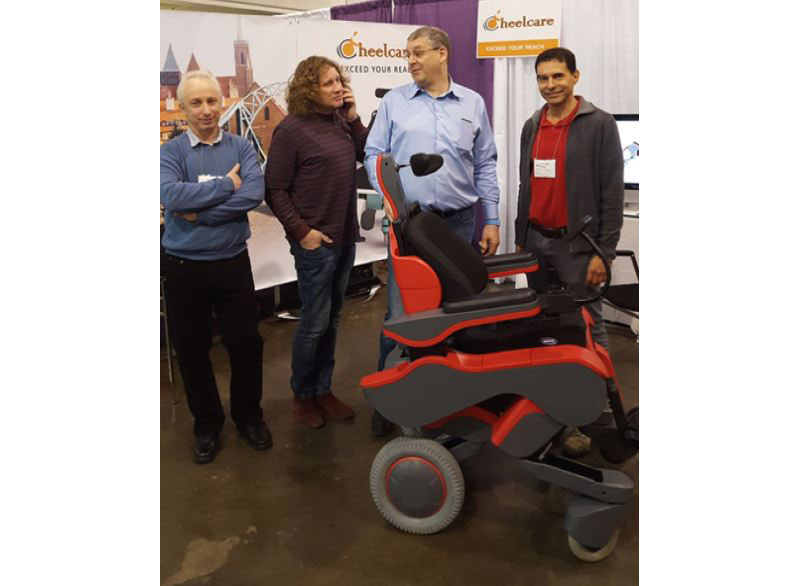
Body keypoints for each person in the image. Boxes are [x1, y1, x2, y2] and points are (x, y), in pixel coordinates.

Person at [365, 26, 501, 436]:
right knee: (402, 314)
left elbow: (486, 162)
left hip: (459, 221)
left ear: (442, 54)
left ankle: (451, 395)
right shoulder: (394, 102)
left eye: (418, 52)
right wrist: (390, 200)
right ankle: (386, 401)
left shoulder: (473, 103)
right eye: (407, 53)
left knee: (455, 313)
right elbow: (373, 154)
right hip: (410, 227)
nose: (410, 60)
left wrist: (491, 217)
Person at [513, 47, 624, 457]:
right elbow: (527, 183)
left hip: (579, 247)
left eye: (558, 76)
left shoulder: (599, 124)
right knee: (546, 328)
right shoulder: (532, 125)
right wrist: (521, 233)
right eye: (543, 78)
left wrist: (604, 254)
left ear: (576, 76)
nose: (549, 86)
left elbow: (611, 194)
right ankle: (556, 416)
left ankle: (604, 418)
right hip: (537, 242)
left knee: (588, 329)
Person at [160, 69, 271, 464]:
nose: (206, 110)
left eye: (211, 101)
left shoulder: (240, 147)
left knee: (245, 344)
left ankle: (248, 416)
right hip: (183, 267)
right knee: (191, 350)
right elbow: (171, 196)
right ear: (184, 108)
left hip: (231, 264)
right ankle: (206, 423)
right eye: (196, 103)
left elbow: (255, 194)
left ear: (222, 102)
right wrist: (226, 186)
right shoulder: (171, 153)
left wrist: (200, 213)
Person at [265, 56, 369, 429]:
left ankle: (323, 388)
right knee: (313, 323)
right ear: (309, 89)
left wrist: (354, 117)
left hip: (344, 239)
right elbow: (275, 190)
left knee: (334, 321)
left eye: (339, 80)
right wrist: (302, 233)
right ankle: (303, 395)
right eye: (328, 83)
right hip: (316, 243)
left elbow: (366, 155)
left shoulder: (339, 123)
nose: (338, 86)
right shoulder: (291, 130)